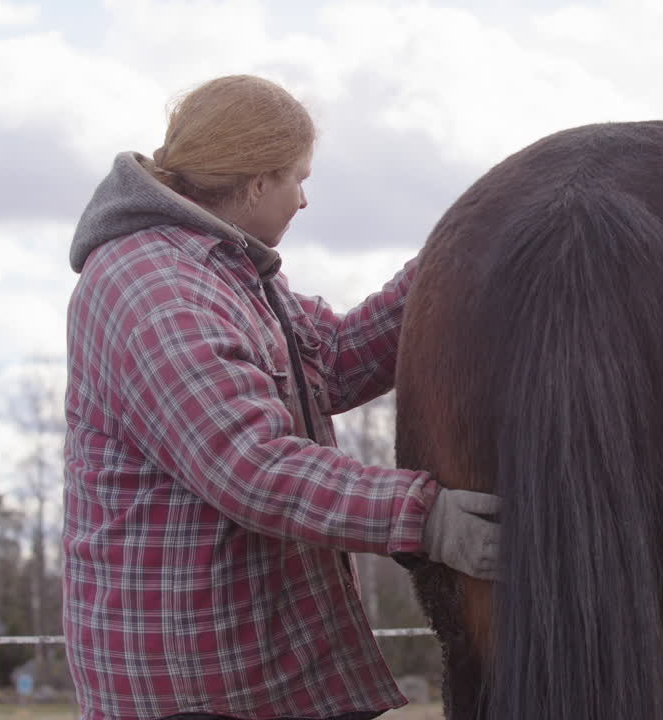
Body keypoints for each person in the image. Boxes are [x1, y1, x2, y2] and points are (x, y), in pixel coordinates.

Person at [63, 74, 499, 720]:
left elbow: (337, 357)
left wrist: (456, 260)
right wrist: (427, 518)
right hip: (193, 689)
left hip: (246, 672)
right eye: (298, 178)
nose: (304, 200)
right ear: (256, 182)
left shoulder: (225, 273)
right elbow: (250, 464)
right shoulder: (156, 287)